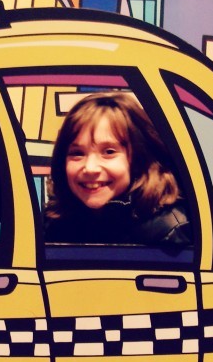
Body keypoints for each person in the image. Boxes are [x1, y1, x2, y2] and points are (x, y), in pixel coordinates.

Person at [43, 92, 191, 247]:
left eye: (109, 152)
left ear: (139, 158)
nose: (90, 168)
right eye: (77, 153)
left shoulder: (169, 232)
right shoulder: (54, 223)